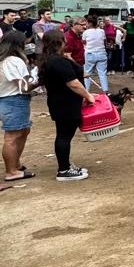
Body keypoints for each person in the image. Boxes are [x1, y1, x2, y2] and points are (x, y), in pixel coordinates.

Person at [39, 29, 94, 181]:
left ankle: (66, 165)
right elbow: (73, 83)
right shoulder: (57, 61)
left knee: (64, 135)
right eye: (64, 40)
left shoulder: (52, 59)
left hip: (62, 103)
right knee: (64, 136)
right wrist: (88, 95)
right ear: (59, 42)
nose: (66, 42)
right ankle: (63, 170)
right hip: (65, 104)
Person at [0, 31, 35, 181]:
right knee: (12, 136)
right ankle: (11, 171)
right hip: (14, 100)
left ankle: (15, 164)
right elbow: (24, 86)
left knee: (23, 131)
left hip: (1, 100)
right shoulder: (13, 62)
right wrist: (37, 79)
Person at [81, 15, 109, 93]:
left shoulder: (86, 32)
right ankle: (105, 90)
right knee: (102, 73)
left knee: (87, 73)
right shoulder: (101, 31)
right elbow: (104, 41)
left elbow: (83, 42)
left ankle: (86, 91)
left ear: (89, 23)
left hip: (90, 53)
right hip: (102, 53)